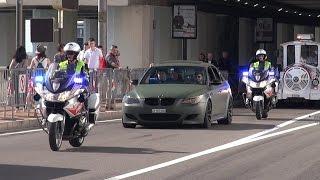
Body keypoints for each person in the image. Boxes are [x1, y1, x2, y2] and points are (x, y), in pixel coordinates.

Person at [59, 42, 98, 129]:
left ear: (76, 54)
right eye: (68, 53)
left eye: (71, 53)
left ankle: (86, 117)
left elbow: (86, 75)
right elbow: (55, 74)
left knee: (84, 95)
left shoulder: (81, 64)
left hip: (77, 86)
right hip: (65, 87)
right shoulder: (62, 64)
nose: (69, 55)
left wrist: (84, 78)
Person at [8, 46, 28, 112]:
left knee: (16, 91)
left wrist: (15, 69)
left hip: (15, 76)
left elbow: (10, 67)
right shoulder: (25, 58)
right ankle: (24, 106)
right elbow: (25, 66)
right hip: (23, 76)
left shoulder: (15, 58)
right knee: (23, 91)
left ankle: (17, 107)